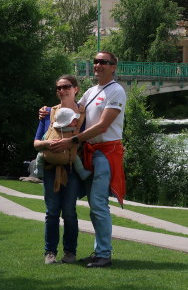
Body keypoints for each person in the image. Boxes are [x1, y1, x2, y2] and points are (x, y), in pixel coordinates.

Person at [49, 51, 126, 268]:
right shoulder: (92, 90)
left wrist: (72, 141)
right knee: (95, 205)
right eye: (96, 61)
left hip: (105, 153)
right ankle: (99, 251)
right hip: (90, 153)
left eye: (104, 62)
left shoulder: (116, 91)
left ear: (113, 67)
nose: (98, 65)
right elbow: (73, 110)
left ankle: (104, 254)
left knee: (99, 205)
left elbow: (103, 126)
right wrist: (47, 112)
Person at [33, 75, 84, 265]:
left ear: (76, 89)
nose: (62, 91)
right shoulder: (48, 113)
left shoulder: (83, 114)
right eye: (59, 88)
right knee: (52, 211)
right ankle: (50, 252)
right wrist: (48, 143)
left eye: (66, 87)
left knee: (69, 211)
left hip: (71, 169)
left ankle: (70, 252)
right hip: (50, 168)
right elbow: (36, 142)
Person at [34, 107, 91, 181]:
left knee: (40, 155)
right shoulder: (74, 132)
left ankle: (39, 171)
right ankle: (82, 172)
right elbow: (79, 143)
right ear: (69, 122)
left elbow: (44, 138)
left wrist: (45, 143)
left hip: (49, 156)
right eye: (74, 120)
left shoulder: (52, 130)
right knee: (75, 158)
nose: (76, 121)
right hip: (68, 157)